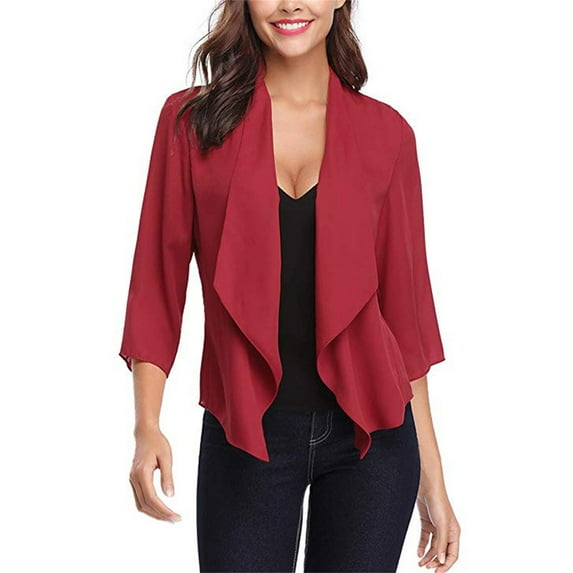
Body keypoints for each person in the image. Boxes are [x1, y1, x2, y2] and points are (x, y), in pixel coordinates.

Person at [119, 1, 461, 571]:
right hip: (244, 430)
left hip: (373, 443)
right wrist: (146, 425)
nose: (290, 4)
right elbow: (156, 284)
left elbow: (406, 322)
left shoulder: (388, 135)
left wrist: (435, 482)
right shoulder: (192, 123)